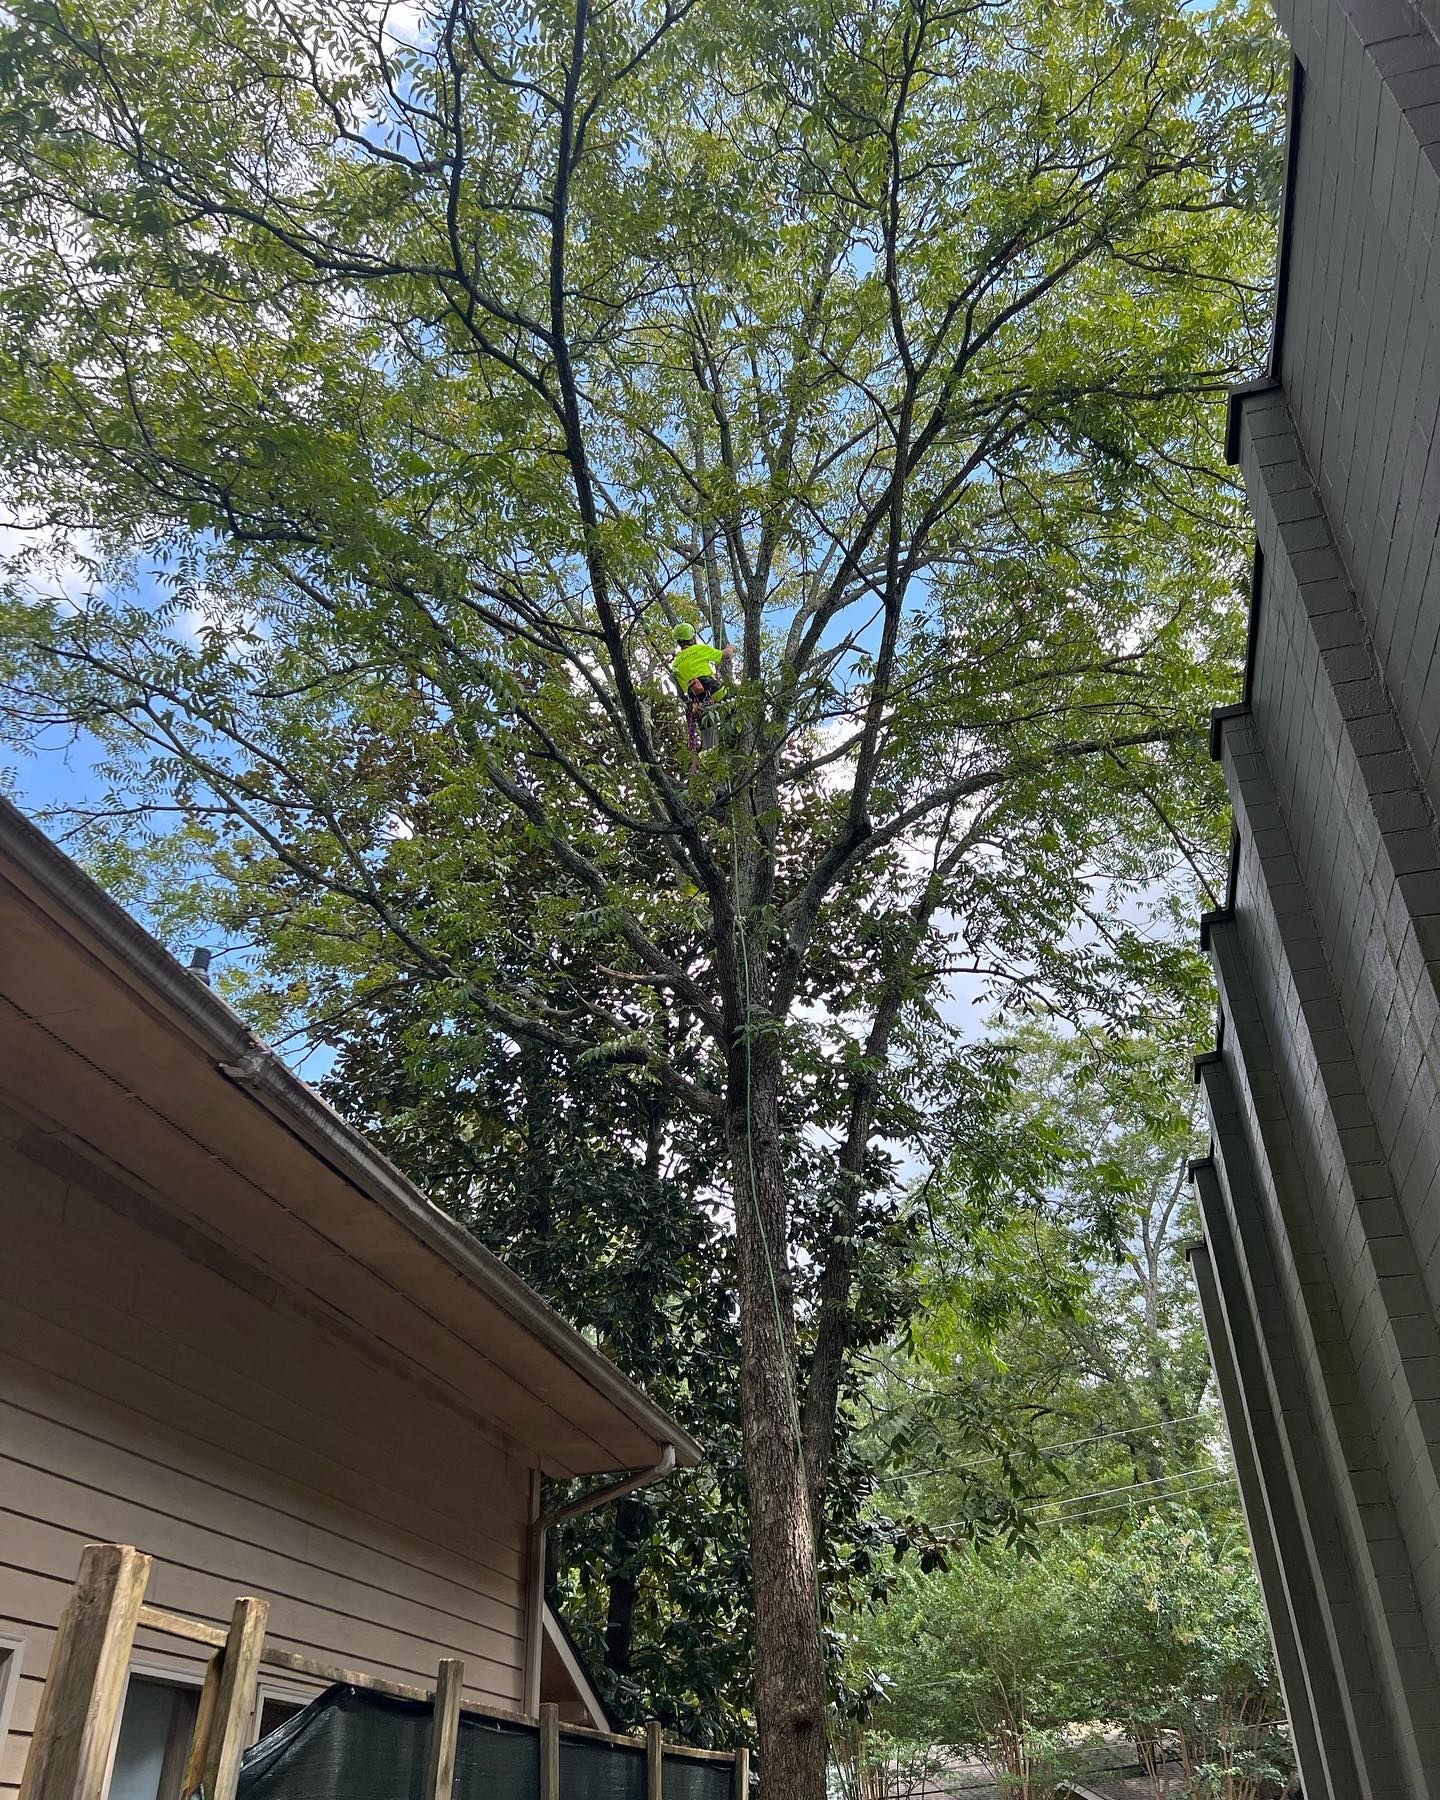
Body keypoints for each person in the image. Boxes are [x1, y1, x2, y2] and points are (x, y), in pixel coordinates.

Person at [671, 623, 733, 752]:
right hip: (711, 687)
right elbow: (725, 655)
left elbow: (682, 689)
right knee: (732, 708)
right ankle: (736, 740)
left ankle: (712, 756)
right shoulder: (698, 649)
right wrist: (731, 648)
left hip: (695, 698)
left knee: (708, 732)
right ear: (692, 638)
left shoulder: (675, 663)